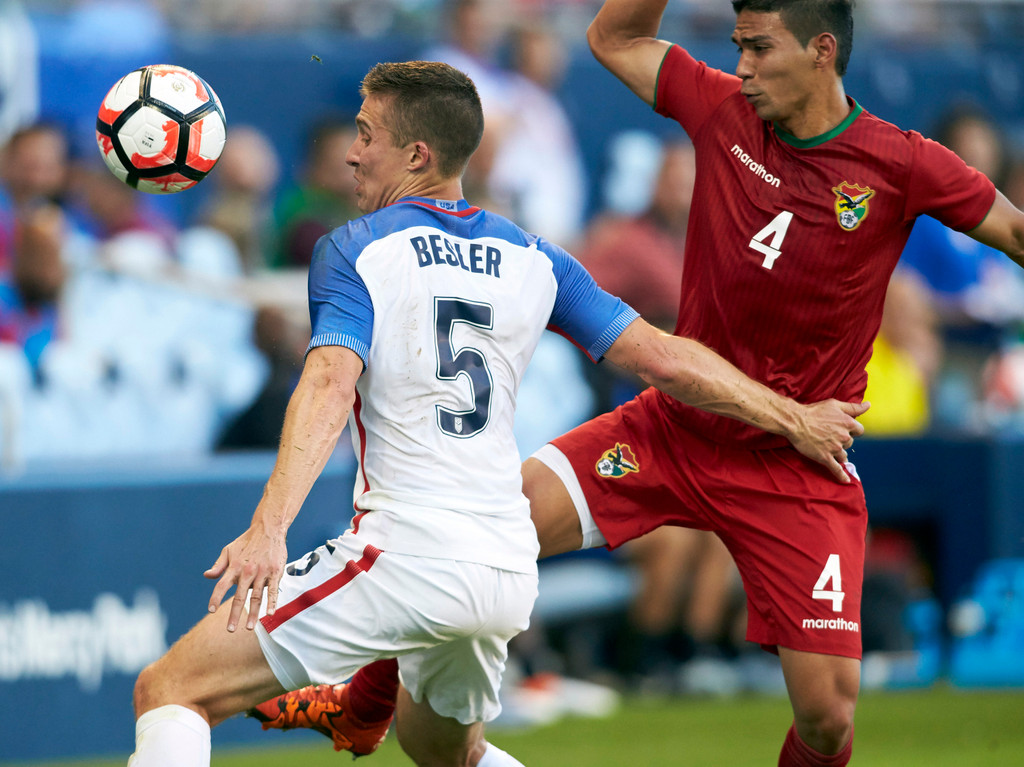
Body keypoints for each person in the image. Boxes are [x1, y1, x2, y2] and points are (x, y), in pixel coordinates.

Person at [254, 1, 1024, 764]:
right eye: (737, 47)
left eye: (760, 49)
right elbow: (612, 37)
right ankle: (362, 706)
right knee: (475, 530)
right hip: (676, 426)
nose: (743, 67)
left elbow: (1013, 231)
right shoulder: (721, 105)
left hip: (799, 459)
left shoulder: (904, 161)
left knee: (828, 718)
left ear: (823, 50)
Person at [127, 59, 865, 767]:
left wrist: (269, 528)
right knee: (447, 751)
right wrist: (793, 417)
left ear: (416, 152)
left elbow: (325, 383)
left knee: (170, 689)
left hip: (405, 551)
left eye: (365, 135)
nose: (350, 155)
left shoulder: (353, 249)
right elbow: (666, 358)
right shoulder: (535, 257)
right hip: (504, 568)